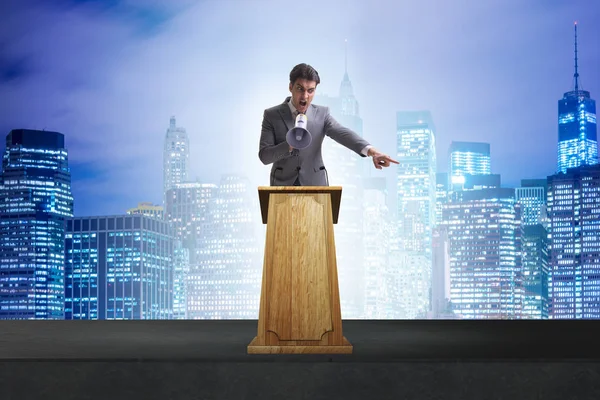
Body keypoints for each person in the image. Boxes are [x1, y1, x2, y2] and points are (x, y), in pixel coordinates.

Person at [258, 63, 399, 186]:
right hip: (282, 186)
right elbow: (265, 156)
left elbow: (343, 133)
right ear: (290, 87)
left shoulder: (322, 114)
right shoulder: (272, 115)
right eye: (300, 89)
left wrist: (372, 152)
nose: (305, 96)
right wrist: (290, 144)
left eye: (310, 90)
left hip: (315, 186)